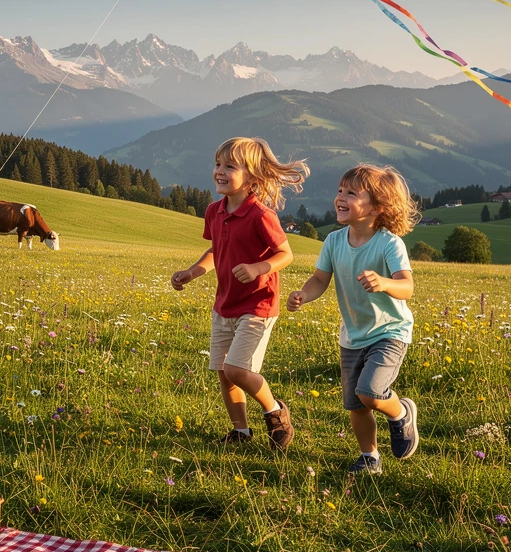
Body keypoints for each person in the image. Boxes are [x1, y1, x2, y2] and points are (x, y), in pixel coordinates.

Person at [171, 136, 309, 449]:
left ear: (252, 177)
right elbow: (215, 250)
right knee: (224, 372)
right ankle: (241, 432)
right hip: (225, 305)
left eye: (230, 166)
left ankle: (275, 412)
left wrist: (258, 268)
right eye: (218, 164)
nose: (220, 171)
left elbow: (285, 254)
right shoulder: (214, 211)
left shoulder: (261, 215)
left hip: (257, 305)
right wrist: (192, 272)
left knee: (236, 369)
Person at [286, 164, 419, 474]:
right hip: (353, 335)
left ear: (377, 207)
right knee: (356, 405)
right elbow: (319, 279)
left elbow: (407, 286)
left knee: (369, 391)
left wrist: (384, 282)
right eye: (339, 191)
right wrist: (303, 294)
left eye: (351, 193)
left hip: (389, 331)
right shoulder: (334, 241)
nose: (340, 197)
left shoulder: (389, 243)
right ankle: (370, 458)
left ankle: (400, 413)